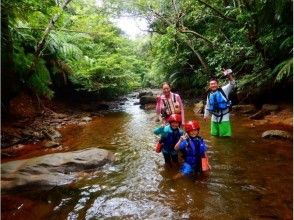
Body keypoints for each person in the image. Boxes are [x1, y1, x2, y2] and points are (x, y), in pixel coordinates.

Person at [204, 68, 236, 137]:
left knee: (225, 136)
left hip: (224, 114)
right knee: (214, 134)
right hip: (214, 115)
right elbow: (208, 105)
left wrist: (228, 75)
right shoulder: (209, 94)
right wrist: (205, 115)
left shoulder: (224, 90)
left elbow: (232, 83)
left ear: (218, 84)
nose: (213, 85)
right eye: (211, 84)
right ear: (209, 86)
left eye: (214, 84)